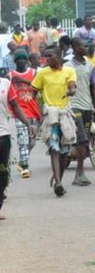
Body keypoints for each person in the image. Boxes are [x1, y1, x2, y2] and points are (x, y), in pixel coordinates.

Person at [31, 46, 77, 197]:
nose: (47, 59)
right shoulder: (42, 73)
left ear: (59, 55)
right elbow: (34, 92)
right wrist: (36, 111)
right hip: (50, 116)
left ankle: (58, 179)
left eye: (50, 56)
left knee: (64, 153)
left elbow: (72, 86)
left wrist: (71, 91)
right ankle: (58, 183)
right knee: (54, 149)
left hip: (64, 115)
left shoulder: (68, 71)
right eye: (46, 57)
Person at [65, 37, 95, 187]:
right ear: (74, 47)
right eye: (83, 45)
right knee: (82, 137)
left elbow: (94, 87)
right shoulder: (67, 66)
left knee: (85, 139)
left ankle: (79, 172)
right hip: (73, 106)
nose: (86, 47)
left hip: (87, 106)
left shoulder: (91, 66)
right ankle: (79, 173)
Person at [0, 72, 34, 218]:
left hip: (2, 135)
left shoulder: (6, 84)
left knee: (2, 173)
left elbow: (15, 105)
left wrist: (27, 124)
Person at [10, 50, 40, 178]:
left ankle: (23, 161)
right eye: (19, 60)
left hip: (33, 111)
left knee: (32, 141)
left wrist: (21, 80)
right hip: (20, 113)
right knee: (22, 140)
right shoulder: (10, 75)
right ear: (15, 61)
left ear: (27, 61)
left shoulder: (33, 73)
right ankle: (26, 168)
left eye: (23, 59)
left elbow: (37, 87)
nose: (21, 61)